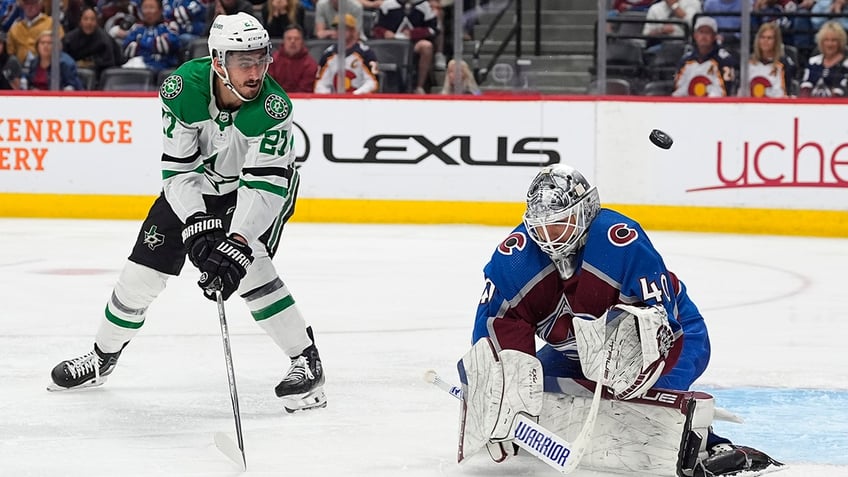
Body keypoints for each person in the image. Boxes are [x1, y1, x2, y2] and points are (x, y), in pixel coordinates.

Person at [48, 12, 327, 414]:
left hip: (248, 194)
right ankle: (102, 357)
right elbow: (178, 171)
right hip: (191, 189)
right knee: (138, 278)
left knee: (250, 270)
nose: (255, 71)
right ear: (218, 61)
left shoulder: (273, 109)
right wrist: (197, 223)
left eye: (260, 58)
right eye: (242, 60)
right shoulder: (183, 90)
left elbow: (264, 185)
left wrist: (237, 240)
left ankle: (306, 360)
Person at [467, 163, 782, 476]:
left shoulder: (620, 241)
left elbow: (662, 322)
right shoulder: (515, 259)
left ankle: (710, 444)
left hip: (672, 339)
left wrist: (637, 378)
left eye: (560, 224)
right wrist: (501, 395)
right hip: (576, 353)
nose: (550, 238)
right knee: (539, 389)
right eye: (541, 227)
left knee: (644, 407)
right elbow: (495, 339)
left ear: (585, 211)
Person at [372, 0, 438, 94]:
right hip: (391, 44)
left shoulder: (424, 5)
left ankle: (419, 87)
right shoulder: (387, 4)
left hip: (413, 44)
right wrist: (385, 32)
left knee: (426, 46)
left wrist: (414, 33)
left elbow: (433, 29)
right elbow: (375, 28)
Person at [672, 16, 738, 96]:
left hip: (717, 106)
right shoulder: (685, 60)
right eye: (701, 32)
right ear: (695, 36)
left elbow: (728, 89)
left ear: (714, 37)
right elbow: (678, 89)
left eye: (708, 33)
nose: (704, 36)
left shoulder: (725, 60)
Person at [314, 13, 378, 93]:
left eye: (344, 28)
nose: (340, 31)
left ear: (353, 30)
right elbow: (320, 83)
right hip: (333, 102)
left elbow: (372, 82)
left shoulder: (366, 54)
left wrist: (355, 96)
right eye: (337, 28)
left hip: (360, 101)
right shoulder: (328, 54)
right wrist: (329, 98)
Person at [122, 0, 180, 74]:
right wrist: (153, 44)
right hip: (137, 68)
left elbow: (168, 45)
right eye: (145, 8)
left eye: (151, 7)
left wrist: (139, 45)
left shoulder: (170, 26)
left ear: (160, 10)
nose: (148, 11)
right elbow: (127, 49)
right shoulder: (136, 28)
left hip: (163, 68)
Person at [62, 7, 122, 77]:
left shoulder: (104, 40)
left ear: (96, 22)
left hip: (100, 76)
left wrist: (88, 64)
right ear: (80, 21)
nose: (89, 22)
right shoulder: (70, 38)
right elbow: (63, 58)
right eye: (85, 19)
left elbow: (109, 64)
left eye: (92, 19)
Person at [799, 20, 848, 96]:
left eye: (834, 40)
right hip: (811, 104)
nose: (829, 44)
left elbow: (842, 89)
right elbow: (806, 84)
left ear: (840, 42)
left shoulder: (846, 64)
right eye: (826, 40)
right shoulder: (813, 62)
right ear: (821, 42)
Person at [747, 21, 796, 97]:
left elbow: (787, 91)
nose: (765, 41)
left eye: (769, 38)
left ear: (776, 41)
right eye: (762, 37)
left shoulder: (783, 63)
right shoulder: (748, 62)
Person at [268, 24, 318, 92]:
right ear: (284, 41)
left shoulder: (310, 64)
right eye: (289, 38)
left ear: (302, 42)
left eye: (296, 39)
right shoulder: (272, 61)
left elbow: (305, 90)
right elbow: (269, 86)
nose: (292, 41)